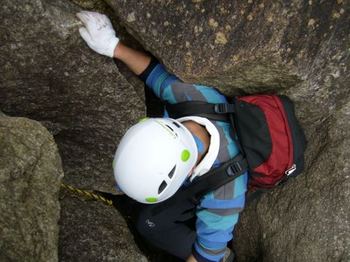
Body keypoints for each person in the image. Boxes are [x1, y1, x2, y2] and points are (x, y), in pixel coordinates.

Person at [76, 11, 248, 262]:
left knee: (149, 223)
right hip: (199, 172)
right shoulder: (190, 97)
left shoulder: (226, 194)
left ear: (185, 175)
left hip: (209, 189)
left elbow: (207, 255)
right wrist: (113, 45)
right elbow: (153, 74)